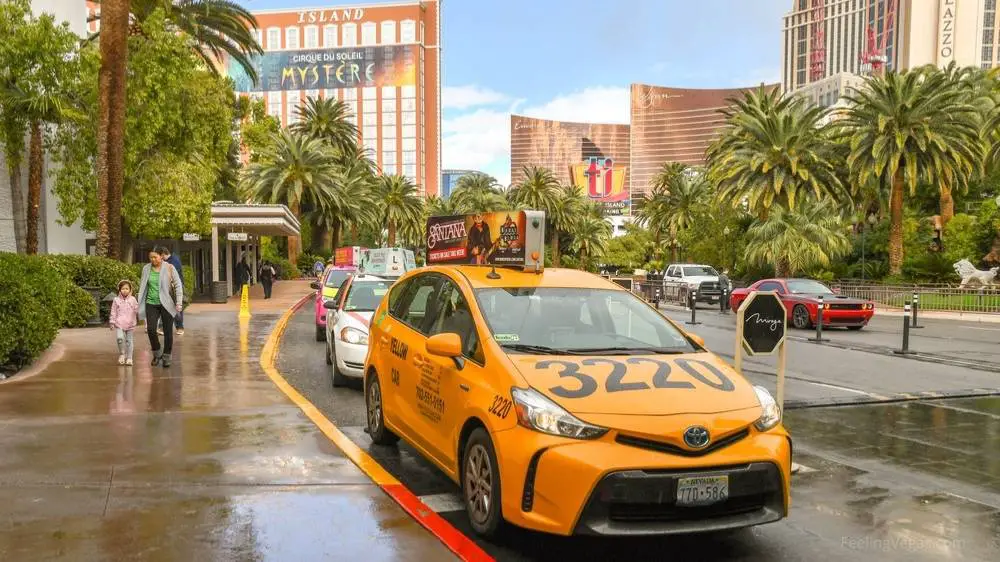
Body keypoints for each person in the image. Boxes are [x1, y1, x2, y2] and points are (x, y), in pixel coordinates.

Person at [137, 248, 183, 368]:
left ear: (161, 256)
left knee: (168, 332)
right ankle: (157, 353)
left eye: (155, 257)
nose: (153, 260)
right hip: (151, 303)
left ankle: (167, 356)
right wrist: (139, 301)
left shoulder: (169, 268)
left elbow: (178, 285)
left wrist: (179, 302)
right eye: (151, 257)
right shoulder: (146, 269)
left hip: (166, 303)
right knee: (151, 330)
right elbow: (143, 286)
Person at [109, 279, 139, 366]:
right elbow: (113, 311)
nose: (124, 290)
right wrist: (112, 322)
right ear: (119, 289)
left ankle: (129, 357)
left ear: (130, 290)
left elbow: (137, 309)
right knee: (120, 338)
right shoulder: (116, 300)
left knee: (129, 341)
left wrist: (140, 311)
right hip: (119, 323)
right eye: (122, 289)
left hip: (130, 323)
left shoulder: (133, 299)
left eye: (126, 289)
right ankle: (122, 354)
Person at [160, 247, 185, 335]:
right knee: (165, 306)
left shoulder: (174, 261)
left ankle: (180, 327)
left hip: (174, 288)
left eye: (160, 255)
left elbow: (173, 277)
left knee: (177, 307)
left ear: (163, 254)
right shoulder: (170, 260)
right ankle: (162, 327)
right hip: (167, 287)